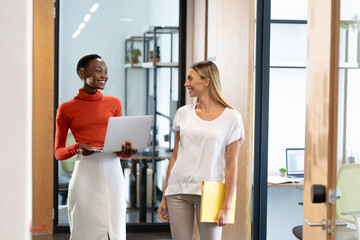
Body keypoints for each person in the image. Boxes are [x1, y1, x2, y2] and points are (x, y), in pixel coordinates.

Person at [157, 60, 245, 240]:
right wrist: (165, 195)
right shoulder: (183, 112)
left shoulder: (232, 117)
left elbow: (231, 165)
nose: (186, 83)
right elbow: (175, 157)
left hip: (211, 192)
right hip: (178, 190)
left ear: (206, 81)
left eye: (190, 78)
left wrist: (226, 207)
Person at [54, 54, 137, 240]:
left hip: (113, 172)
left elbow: (119, 146)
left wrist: (126, 151)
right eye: (98, 71)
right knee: (85, 229)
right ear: (82, 73)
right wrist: (77, 147)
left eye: (106, 72)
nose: (104, 75)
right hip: (85, 173)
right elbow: (58, 153)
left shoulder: (114, 103)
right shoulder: (66, 108)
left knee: (114, 230)